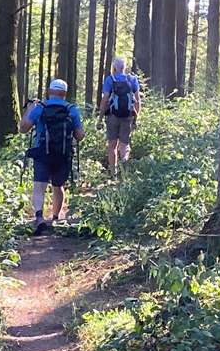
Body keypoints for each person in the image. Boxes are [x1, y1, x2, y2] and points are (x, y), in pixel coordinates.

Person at [23, 78, 83, 235]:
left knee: (39, 186)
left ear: (49, 91)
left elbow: (23, 128)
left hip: (42, 152)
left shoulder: (40, 107)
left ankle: (39, 217)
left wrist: (29, 108)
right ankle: (55, 218)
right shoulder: (71, 109)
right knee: (58, 186)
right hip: (63, 154)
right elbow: (80, 135)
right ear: (64, 93)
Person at [97, 57, 142, 174]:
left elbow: (105, 100)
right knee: (124, 145)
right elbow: (137, 101)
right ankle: (124, 170)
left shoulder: (110, 80)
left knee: (112, 145)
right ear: (125, 67)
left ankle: (113, 172)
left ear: (114, 67)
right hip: (128, 116)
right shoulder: (132, 79)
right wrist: (135, 119)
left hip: (112, 116)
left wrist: (100, 118)